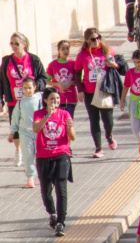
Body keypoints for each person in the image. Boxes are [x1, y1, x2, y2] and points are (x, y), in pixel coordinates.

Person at [74, 28, 125, 158]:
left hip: (105, 89)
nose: (96, 41)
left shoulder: (107, 50)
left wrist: (113, 64)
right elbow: (77, 73)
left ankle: (109, 135)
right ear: (87, 40)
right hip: (89, 91)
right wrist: (79, 90)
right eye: (93, 39)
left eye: (98, 38)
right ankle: (98, 147)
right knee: (94, 119)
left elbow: (119, 65)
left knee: (108, 120)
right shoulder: (82, 55)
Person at [33, 87, 75, 236]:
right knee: (46, 190)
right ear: (45, 100)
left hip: (61, 155)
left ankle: (61, 222)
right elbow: (36, 129)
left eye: (57, 98)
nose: (55, 101)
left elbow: (72, 137)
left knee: (61, 189)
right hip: (43, 157)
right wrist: (47, 116)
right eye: (52, 98)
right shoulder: (38, 114)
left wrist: (70, 129)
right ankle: (52, 213)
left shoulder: (65, 114)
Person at [2, 32, 47, 165]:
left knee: (32, 125)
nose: (14, 46)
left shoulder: (34, 59)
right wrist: (1, 99)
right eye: (12, 43)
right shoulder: (6, 61)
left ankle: (35, 149)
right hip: (14, 99)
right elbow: (1, 80)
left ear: (24, 44)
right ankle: (18, 150)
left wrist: (33, 87)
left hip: (31, 100)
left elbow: (43, 78)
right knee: (14, 126)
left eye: (17, 43)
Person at [10, 76, 42, 188]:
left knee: (40, 154)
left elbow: (45, 115)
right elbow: (15, 118)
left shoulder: (40, 99)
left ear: (34, 87)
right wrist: (12, 132)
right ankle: (30, 177)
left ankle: (42, 175)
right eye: (25, 88)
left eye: (29, 88)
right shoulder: (20, 103)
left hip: (38, 132)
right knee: (28, 154)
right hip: (25, 132)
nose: (27, 90)